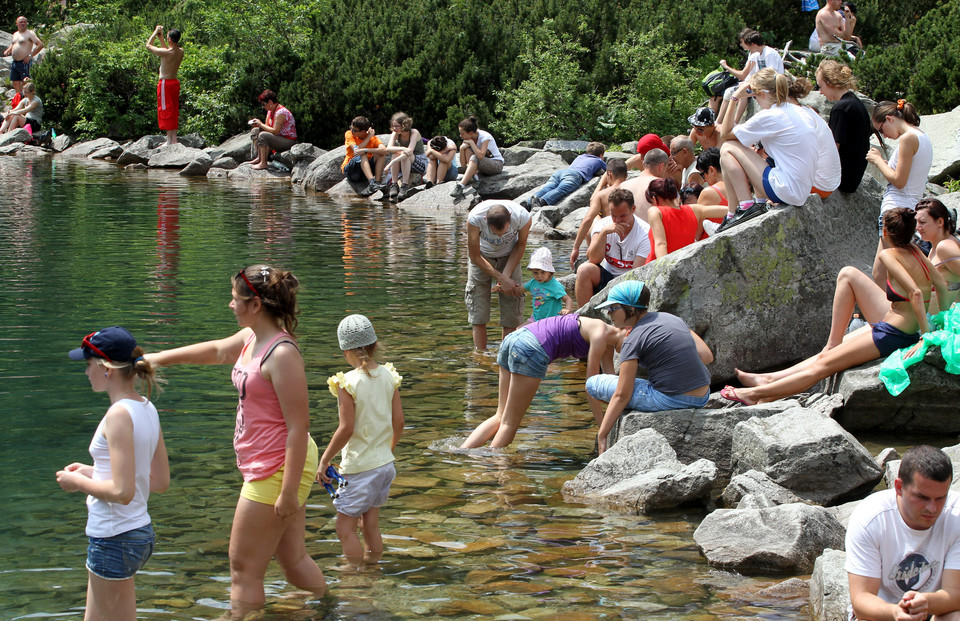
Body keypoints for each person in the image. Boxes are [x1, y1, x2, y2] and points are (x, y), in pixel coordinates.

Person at [145, 265, 326, 619]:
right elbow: (215, 351)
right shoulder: (250, 339)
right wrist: (157, 359)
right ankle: (330, 607)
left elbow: (297, 426)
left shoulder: (282, 353)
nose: (230, 305)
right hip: (272, 463)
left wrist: (289, 492)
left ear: (255, 304)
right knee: (292, 560)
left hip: (277, 467)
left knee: (243, 568)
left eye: (235, 298)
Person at [725, 208, 948, 405]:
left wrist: (926, 338)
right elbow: (941, 284)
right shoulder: (917, 251)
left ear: (886, 233)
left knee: (822, 366)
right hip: (895, 327)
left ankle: (754, 395)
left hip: (892, 334)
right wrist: (942, 323)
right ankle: (768, 386)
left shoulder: (889, 254)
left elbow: (915, 293)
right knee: (825, 356)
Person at [56, 326, 169, 621]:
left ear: (106, 368)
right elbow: (158, 481)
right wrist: (94, 471)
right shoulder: (147, 408)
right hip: (139, 534)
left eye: (87, 364)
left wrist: (77, 482)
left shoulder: (118, 415)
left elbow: (123, 492)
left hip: (113, 537)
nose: (85, 372)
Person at [460, 312, 626, 449]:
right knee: (509, 423)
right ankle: (494, 473)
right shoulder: (600, 335)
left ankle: (461, 454)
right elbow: (591, 387)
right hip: (530, 348)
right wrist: (602, 430)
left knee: (501, 416)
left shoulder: (606, 341)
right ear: (629, 330)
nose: (632, 353)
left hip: (513, 339)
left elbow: (609, 386)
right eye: (633, 346)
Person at [318, 315, 403, 569]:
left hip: (360, 468)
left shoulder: (346, 382)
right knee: (370, 524)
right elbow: (398, 422)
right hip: (385, 466)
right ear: (375, 344)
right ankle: (373, 568)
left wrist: (324, 460)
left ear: (345, 351)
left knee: (344, 527)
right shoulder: (389, 376)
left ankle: (354, 578)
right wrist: (388, 451)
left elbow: (346, 428)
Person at [589, 281, 714, 454]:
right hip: (703, 395)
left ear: (631, 309)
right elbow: (707, 356)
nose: (609, 314)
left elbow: (621, 394)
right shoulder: (672, 319)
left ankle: (622, 413)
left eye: (612, 308)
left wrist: (603, 434)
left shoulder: (633, 339)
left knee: (594, 383)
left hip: (671, 399)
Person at [845, 445, 960, 621]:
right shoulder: (870, 518)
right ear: (899, 487)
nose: (932, 508)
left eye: (940, 498)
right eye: (922, 497)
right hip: (881, 613)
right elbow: (861, 600)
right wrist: (895, 612)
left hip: (935, 610)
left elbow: (955, 594)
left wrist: (926, 602)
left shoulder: (956, 515)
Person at [717, 69, 819, 232]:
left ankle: (746, 206)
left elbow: (725, 134)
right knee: (745, 151)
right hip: (801, 188)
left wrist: (735, 97)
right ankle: (732, 214)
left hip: (787, 190)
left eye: (753, 95)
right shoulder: (799, 111)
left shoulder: (770, 116)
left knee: (728, 149)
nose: (755, 99)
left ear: (762, 94)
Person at [867, 99, 933, 283]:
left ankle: (890, 311)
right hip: (908, 209)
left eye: (881, 130)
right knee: (897, 272)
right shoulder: (921, 136)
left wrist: (877, 160)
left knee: (881, 274)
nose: (884, 136)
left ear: (889, 119)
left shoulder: (907, 138)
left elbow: (899, 181)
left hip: (895, 208)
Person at [465, 200, 531, 350]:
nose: (500, 237)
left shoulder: (522, 216)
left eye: (505, 233)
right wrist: (501, 278)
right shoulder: (475, 219)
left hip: (510, 256)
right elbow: (474, 255)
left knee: (512, 308)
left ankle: (505, 353)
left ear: (510, 216)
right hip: (482, 256)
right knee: (478, 308)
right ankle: (480, 355)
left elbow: (520, 245)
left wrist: (506, 275)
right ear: (485, 221)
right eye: (496, 234)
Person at [574, 189, 651, 307]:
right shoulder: (603, 225)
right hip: (607, 277)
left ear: (633, 209)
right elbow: (593, 259)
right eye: (614, 216)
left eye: (623, 216)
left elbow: (637, 273)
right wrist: (604, 234)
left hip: (629, 280)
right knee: (584, 269)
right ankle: (584, 318)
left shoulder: (645, 233)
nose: (618, 220)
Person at [644, 178, 728, 263]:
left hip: (658, 264)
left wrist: (663, 269)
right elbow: (728, 211)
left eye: (651, 202)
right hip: (684, 264)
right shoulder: (694, 210)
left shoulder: (655, 211)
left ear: (654, 199)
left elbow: (661, 243)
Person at [816, 60, 870, 193]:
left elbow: (833, 147)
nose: (820, 92)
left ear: (829, 84)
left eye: (820, 86)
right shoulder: (856, 103)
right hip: (854, 176)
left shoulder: (841, 108)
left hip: (841, 179)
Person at [788, 76, 841, 200]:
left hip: (817, 185)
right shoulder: (808, 111)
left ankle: (753, 204)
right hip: (829, 183)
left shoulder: (796, 116)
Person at [716, 28, 785, 125]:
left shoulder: (770, 53)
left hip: (772, 85)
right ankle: (723, 122)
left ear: (753, 44)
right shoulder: (757, 55)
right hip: (761, 84)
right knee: (739, 90)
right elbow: (753, 74)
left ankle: (734, 122)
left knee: (743, 91)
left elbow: (771, 75)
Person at [570, 158, 629, 270]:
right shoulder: (632, 190)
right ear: (626, 176)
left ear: (609, 174)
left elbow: (588, 219)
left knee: (594, 217)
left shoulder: (602, 194)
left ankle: (592, 255)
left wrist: (576, 248)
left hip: (611, 236)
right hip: (630, 235)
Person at [524, 142, 607, 210]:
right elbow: (608, 171)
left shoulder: (580, 156)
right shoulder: (599, 160)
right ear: (601, 155)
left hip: (561, 172)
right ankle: (542, 202)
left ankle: (528, 203)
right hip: (575, 175)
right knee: (561, 190)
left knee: (547, 188)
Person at [916, 198, 960, 314]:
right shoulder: (936, 246)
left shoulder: (945, 247)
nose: (917, 227)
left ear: (940, 222)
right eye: (916, 222)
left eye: (923, 222)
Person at [145, 25, 184, 146]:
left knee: (166, 109)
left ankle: (169, 140)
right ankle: (173, 139)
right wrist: (161, 38)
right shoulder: (180, 51)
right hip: (174, 83)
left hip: (165, 84)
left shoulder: (167, 53)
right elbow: (166, 51)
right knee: (173, 109)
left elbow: (148, 46)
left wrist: (155, 32)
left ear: (170, 39)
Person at [450, 115, 504, 198]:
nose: (460, 136)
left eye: (462, 134)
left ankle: (461, 185)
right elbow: (463, 165)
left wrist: (471, 143)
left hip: (496, 165)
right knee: (467, 150)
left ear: (470, 133)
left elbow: (481, 156)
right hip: (482, 167)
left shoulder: (485, 137)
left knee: (474, 157)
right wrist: (461, 149)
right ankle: (475, 177)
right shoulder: (468, 139)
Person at [515, 247, 573, 321]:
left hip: (551, 320)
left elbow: (567, 299)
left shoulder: (554, 285)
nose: (539, 276)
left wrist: (567, 309)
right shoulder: (533, 282)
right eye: (535, 273)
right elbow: (518, 291)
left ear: (549, 271)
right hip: (536, 318)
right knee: (519, 330)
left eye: (543, 272)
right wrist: (501, 287)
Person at [246, 89, 297, 171]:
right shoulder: (270, 111)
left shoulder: (281, 112)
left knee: (263, 135)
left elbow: (275, 131)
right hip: (277, 138)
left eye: (264, 104)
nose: (263, 107)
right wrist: (258, 125)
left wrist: (261, 124)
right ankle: (260, 157)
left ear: (270, 102)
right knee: (255, 131)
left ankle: (263, 163)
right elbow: (266, 127)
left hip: (287, 140)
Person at [384, 112, 427, 202]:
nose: (394, 128)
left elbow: (410, 151)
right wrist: (403, 148)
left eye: (397, 126)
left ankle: (405, 185)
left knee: (405, 156)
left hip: (418, 162)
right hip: (402, 160)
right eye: (393, 126)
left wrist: (391, 163)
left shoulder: (414, 132)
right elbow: (389, 148)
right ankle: (394, 184)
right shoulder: (395, 133)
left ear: (404, 125)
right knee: (396, 153)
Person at [341, 116, 388, 197]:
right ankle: (372, 183)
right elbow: (356, 150)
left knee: (380, 154)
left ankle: (376, 183)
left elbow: (385, 151)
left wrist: (366, 150)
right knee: (362, 153)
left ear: (363, 131)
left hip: (365, 171)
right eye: (351, 128)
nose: (351, 131)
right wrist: (368, 139)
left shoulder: (373, 139)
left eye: (354, 130)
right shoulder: (349, 134)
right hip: (351, 170)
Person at [621, 148, 670, 220]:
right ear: (661, 166)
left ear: (643, 164)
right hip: (654, 230)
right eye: (666, 167)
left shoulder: (623, 186)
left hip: (627, 230)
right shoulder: (663, 186)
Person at [3, 16, 44, 95]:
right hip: (15, 62)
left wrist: (31, 55)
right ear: (17, 23)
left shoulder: (30, 33)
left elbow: (40, 44)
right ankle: (19, 98)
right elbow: (14, 44)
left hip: (25, 62)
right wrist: (8, 50)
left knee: (25, 82)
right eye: (21, 22)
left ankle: (27, 99)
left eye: (24, 22)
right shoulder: (15, 34)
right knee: (15, 82)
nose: (23, 23)